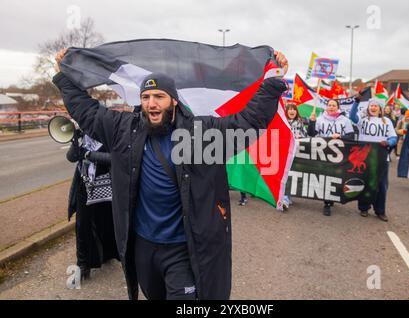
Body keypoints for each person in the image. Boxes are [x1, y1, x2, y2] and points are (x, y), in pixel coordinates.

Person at [53, 48, 289, 300]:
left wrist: (273, 81)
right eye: (145, 97)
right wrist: (63, 77)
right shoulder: (123, 130)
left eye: (159, 96)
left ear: (174, 100)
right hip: (143, 248)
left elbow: (248, 122)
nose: (151, 103)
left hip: (183, 250)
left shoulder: (201, 135)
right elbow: (88, 112)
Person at [66, 130, 119, 280]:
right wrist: (75, 143)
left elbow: (116, 158)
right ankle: (83, 264)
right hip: (85, 187)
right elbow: (71, 158)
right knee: (83, 226)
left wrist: (90, 155)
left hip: (107, 186)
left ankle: (107, 254)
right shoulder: (82, 136)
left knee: (106, 222)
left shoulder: (108, 132)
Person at [350, 98, 398, 222]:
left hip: (381, 158)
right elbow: (352, 116)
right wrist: (356, 102)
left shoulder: (387, 121)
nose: (373, 108)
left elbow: (393, 138)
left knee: (381, 186)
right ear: (368, 108)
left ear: (380, 109)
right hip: (365, 158)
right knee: (365, 183)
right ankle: (364, 208)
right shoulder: (363, 120)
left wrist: (388, 142)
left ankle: (380, 211)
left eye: (376, 106)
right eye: (371, 106)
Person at [307, 99, 355, 216]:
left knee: (336, 177)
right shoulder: (320, 118)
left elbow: (351, 136)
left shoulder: (345, 120)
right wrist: (312, 122)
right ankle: (327, 203)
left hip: (339, 154)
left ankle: (331, 197)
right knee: (325, 177)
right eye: (329, 105)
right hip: (323, 152)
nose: (331, 107)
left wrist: (340, 136)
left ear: (338, 107)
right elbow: (311, 134)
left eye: (334, 105)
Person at [282, 102, 308, 210]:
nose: (292, 111)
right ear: (286, 111)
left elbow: (306, 136)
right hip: (284, 152)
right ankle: (284, 198)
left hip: (296, 153)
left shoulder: (300, 123)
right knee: (284, 175)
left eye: (294, 109)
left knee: (292, 174)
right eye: (290, 109)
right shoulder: (282, 122)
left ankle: (288, 195)